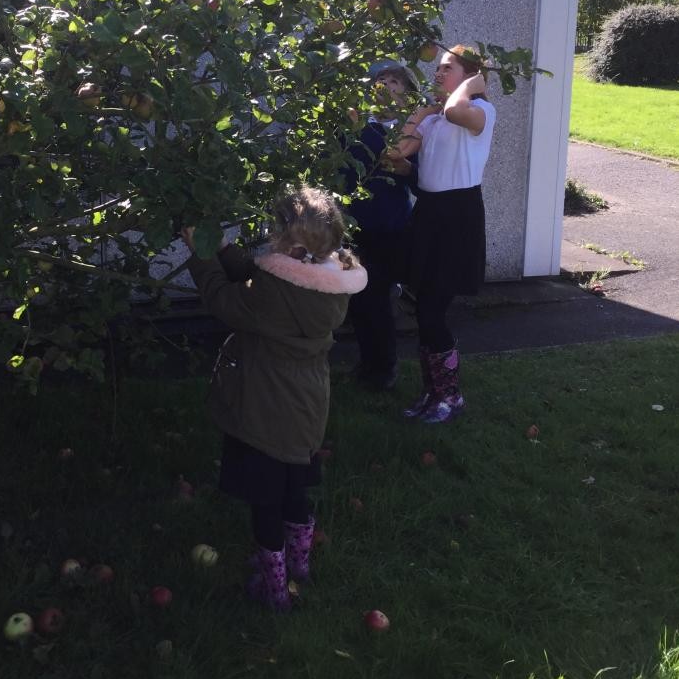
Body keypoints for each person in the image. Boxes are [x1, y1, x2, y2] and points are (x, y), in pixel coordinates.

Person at [181, 187, 366, 612]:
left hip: (264, 409)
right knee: (294, 490)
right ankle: (298, 561)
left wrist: (201, 255)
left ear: (295, 248)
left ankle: (272, 584)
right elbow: (261, 273)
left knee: (265, 501)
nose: (268, 239)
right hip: (305, 408)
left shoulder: (275, 294)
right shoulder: (326, 283)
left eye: (274, 234)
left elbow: (225, 301)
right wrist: (223, 248)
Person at [391, 45, 496, 424]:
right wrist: (423, 112)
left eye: (446, 68)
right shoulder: (437, 120)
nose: (437, 73)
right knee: (423, 308)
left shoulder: (480, 111)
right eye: (437, 68)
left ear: (469, 76)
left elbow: (456, 109)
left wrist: (468, 88)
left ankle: (450, 396)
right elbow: (395, 152)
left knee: (433, 309)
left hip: (458, 218)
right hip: (430, 215)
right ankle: (433, 392)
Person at [341, 59, 419, 392]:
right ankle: (368, 362)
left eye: (395, 82)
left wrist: (406, 170)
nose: (386, 86)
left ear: (406, 93)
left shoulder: (411, 133)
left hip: (390, 226)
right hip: (355, 223)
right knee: (358, 299)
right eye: (381, 79)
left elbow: (417, 177)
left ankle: (383, 368)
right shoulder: (355, 126)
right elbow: (345, 170)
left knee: (378, 297)